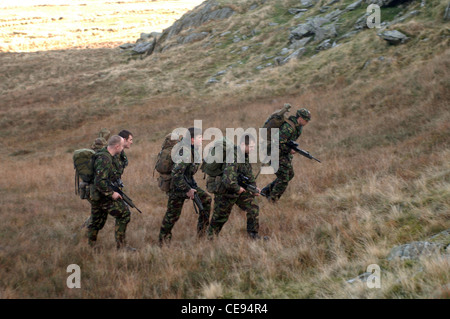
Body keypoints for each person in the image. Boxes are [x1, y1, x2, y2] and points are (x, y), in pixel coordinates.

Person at [158, 127, 211, 245]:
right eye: (199, 137)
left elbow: (188, 172)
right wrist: (187, 190)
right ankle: (163, 241)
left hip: (187, 184)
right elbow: (176, 174)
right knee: (172, 215)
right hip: (177, 187)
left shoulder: (192, 149)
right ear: (192, 139)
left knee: (206, 200)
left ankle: (202, 235)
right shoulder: (185, 151)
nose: (202, 139)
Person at [207, 134, 262, 240]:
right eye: (250, 146)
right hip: (225, 190)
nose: (253, 149)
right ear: (242, 144)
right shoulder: (233, 156)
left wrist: (254, 188)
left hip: (238, 189)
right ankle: (210, 238)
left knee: (253, 207)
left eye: (253, 146)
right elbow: (228, 180)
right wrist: (238, 189)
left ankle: (253, 235)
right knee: (220, 217)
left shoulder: (244, 156)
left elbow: (248, 173)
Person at [86, 135, 135, 251]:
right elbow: (100, 182)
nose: (123, 149)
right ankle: (121, 247)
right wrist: (112, 194)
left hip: (97, 195)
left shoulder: (108, 154)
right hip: (102, 195)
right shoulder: (105, 159)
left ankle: (91, 246)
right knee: (124, 214)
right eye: (122, 146)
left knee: (97, 220)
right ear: (117, 146)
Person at [261, 108, 311, 202]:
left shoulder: (298, 127)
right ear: (300, 118)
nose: (307, 122)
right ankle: (272, 200)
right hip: (274, 154)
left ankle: (267, 190)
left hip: (282, 154)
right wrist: (290, 150)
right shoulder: (288, 127)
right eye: (306, 120)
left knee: (290, 174)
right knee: (284, 178)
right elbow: (277, 143)